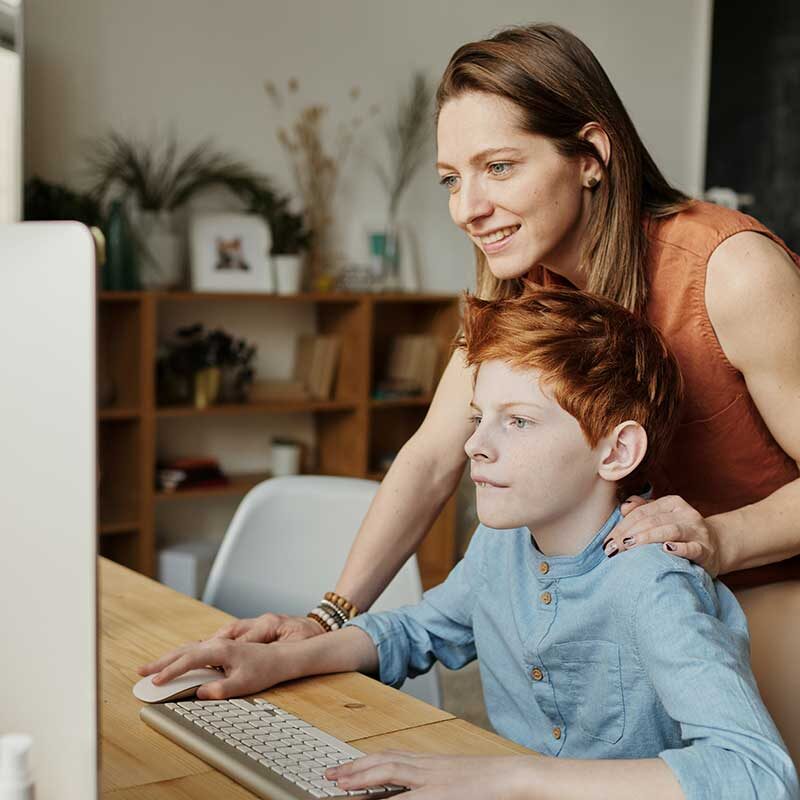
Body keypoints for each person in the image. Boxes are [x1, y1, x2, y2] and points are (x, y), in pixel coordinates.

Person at [211, 22, 800, 648]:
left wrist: (719, 538)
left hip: (759, 582)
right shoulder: (516, 284)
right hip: (632, 591)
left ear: (591, 157)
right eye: (451, 179)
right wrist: (326, 618)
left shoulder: (732, 272)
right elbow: (435, 453)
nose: (467, 208)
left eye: (498, 166)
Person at [141, 288, 798, 800]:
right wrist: (282, 662)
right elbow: (415, 632)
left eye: (517, 421)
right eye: (480, 418)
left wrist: (508, 779)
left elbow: (757, 775)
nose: (475, 445)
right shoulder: (500, 545)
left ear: (616, 449)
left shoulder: (650, 580)